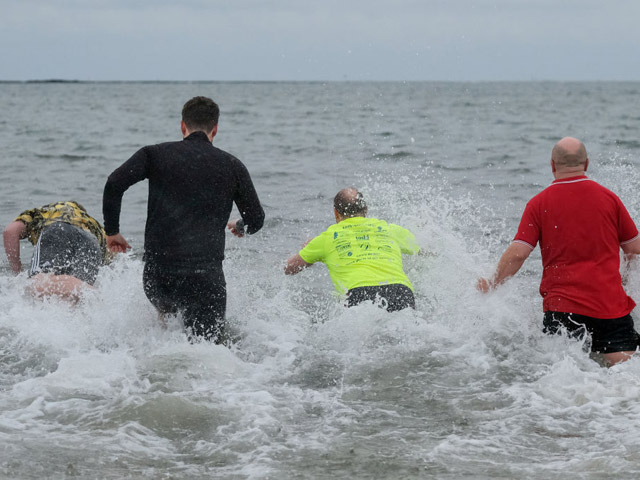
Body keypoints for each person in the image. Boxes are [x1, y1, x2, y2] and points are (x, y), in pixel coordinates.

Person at [102, 96, 265, 343]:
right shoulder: (233, 166)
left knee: (167, 333)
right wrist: (240, 227)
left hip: (159, 275)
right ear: (215, 130)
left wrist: (112, 231)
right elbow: (256, 219)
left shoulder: (154, 155)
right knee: (207, 349)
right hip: (206, 277)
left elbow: (114, 183)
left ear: (182, 126)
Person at [477, 137, 640, 366]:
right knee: (623, 377)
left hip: (563, 312)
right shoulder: (610, 199)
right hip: (611, 309)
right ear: (587, 163)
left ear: (552, 165)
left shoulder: (538, 203)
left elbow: (518, 254)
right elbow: (634, 249)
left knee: (563, 379)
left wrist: (493, 282)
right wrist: (626, 279)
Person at [285, 187, 420, 311]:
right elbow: (425, 249)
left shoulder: (326, 238)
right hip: (401, 291)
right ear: (366, 209)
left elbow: (289, 268)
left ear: (336, 213)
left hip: (359, 293)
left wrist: (307, 250)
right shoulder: (390, 229)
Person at [3, 201, 108, 302]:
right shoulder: (94, 225)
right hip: (92, 243)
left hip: (60, 229)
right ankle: (98, 296)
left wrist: (17, 274)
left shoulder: (50, 211)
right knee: (74, 300)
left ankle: (94, 294)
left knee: (37, 284)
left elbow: (10, 231)